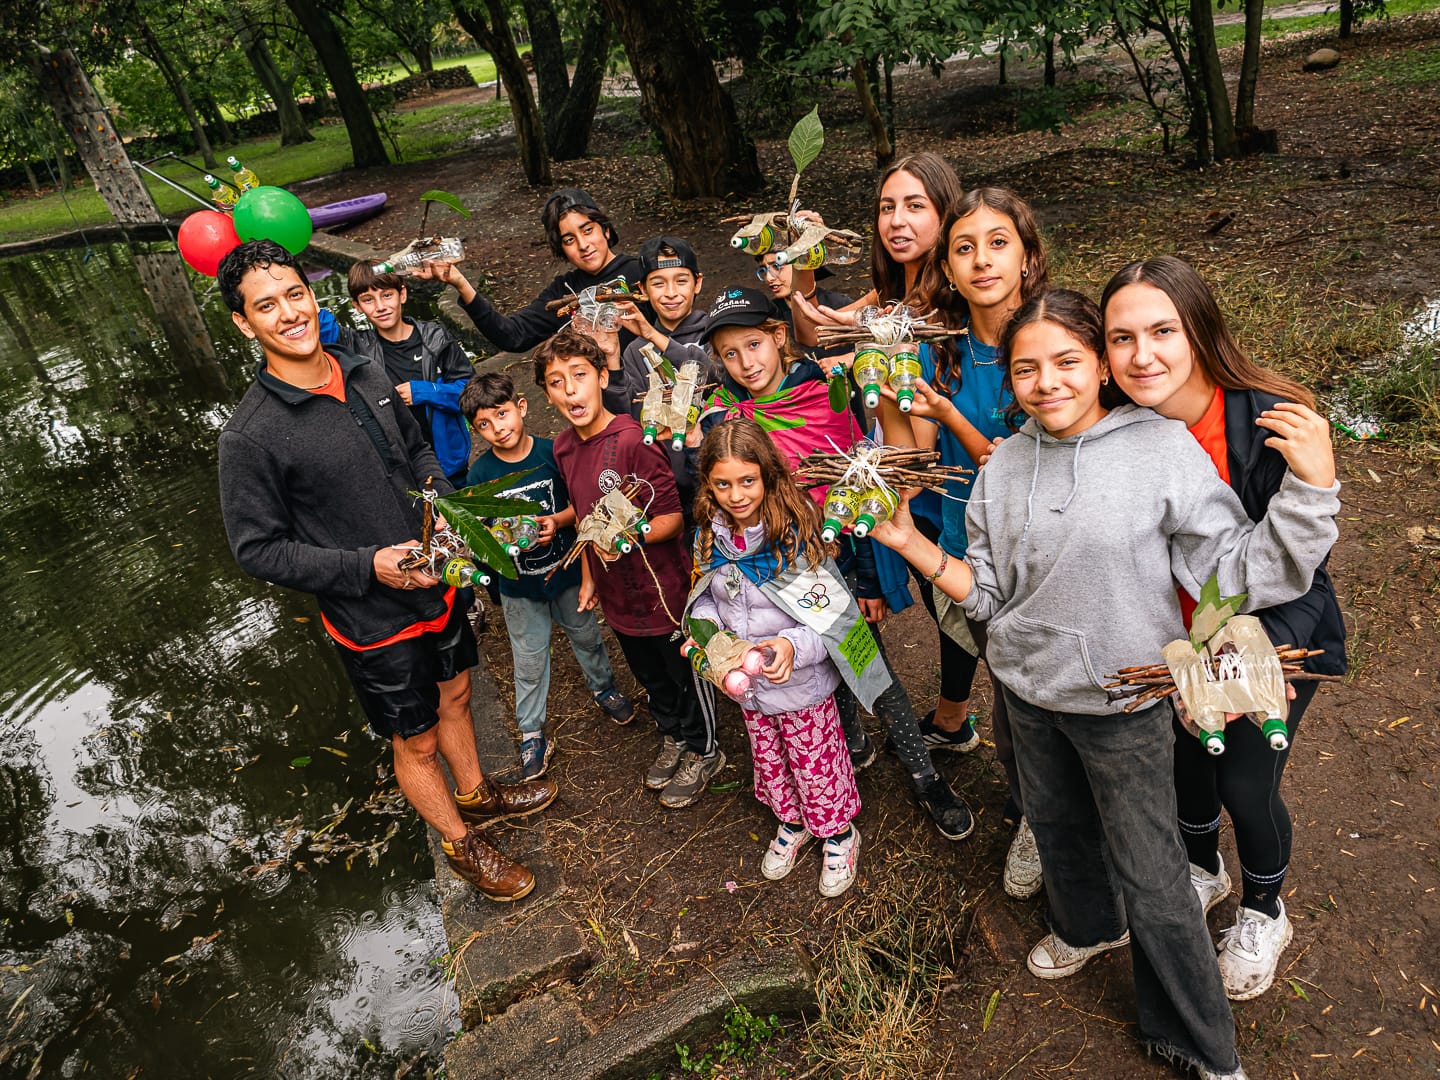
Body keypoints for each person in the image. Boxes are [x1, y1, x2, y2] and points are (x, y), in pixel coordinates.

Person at [869, 288, 1340, 1080]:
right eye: (1026, 369)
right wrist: (910, 544)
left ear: (1099, 366)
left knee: (1154, 876)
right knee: (1056, 827)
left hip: (1123, 706)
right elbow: (988, 596)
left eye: (1066, 361)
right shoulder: (1003, 466)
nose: (1046, 382)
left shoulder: (1159, 449)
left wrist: (1311, 493)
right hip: (1027, 695)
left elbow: (1234, 572)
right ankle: (1088, 929)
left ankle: (1201, 1043)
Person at [215, 240, 555, 903]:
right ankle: (461, 845)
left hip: (437, 582)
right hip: (370, 616)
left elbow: (417, 450)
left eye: (294, 294)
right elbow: (257, 549)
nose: (289, 313)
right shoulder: (250, 436)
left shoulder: (364, 371)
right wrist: (367, 565)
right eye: (266, 305)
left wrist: (443, 508)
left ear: (311, 295)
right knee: (416, 738)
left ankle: (477, 793)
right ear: (244, 323)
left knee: (457, 694)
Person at [1101, 255, 1347, 1001]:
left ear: (1199, 330)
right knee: (1187, 766)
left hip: (1269, 634)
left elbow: (1302, 567)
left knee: (1244, 779)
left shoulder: (1270, 423)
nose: (1142, 356)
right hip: (1170, 645)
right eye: (1121, 337)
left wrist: (1258, 656)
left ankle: (1265, 909)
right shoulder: (1113, 425)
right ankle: (1202, 868)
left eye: (1163, 331)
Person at [700, 287, 975, 841]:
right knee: (820, 671)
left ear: (779, 336)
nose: (745, 363)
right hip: (769, 581)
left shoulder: (824, 395)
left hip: (835, 566)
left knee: (871, 669)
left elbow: (861, 482)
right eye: (730, 354)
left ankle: (925, 777)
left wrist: (869, 579)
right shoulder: (725, 417)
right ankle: (853, 743)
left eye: (753, 344)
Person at [873, 187, 1049, 898]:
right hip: (966, 546)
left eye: (998, 243)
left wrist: (952, 417)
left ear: (1028, 255)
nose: (982, 261)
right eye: (965, 248)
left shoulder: (1055, 341)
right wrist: (887, 387)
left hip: (1048, 548)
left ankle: (1045, 813)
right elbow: (913, 461)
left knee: (1044, 690)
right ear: (946, 266)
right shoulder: (936, 351)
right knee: (1009, 687)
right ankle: (1035, 802)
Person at [538, 326, 722, 808]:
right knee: (648, 673)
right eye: (556, 382)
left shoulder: (634, 439)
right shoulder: (562, 448)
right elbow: (585, 513)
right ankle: (673, 734)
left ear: (603, 377)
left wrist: (630, 536)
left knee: (683, 671)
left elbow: (673, 518)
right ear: (546, 394)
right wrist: (586, 572)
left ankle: (705, 749)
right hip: (617, 595)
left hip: (663, 590)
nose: (570, 390)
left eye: (579, 375)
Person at [686, 419, 865, 897]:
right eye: (722, 484)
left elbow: (835, 620)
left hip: (801, 686)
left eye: (747, 481)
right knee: (770, 759)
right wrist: (709, 633)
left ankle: (838, 833)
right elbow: (705, 597)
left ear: (767, 474)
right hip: (749, 688)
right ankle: (793, 821)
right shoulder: (710, 536)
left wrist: (791, 646)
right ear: (708, 484)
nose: (736, 495)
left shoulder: (791, 536)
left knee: (815, 764)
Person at [460, 372, 636, 780]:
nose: (497, 428)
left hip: (567, 574)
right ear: (475, 430)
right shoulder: (480, 475)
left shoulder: (553, 453)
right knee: (528, 658)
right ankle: (531, 731)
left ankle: (604, 687)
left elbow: (583, 505)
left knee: (587, 635)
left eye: (502, 414)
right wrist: (499, 538)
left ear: (521, 407)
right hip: (519, 586)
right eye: (484, 424)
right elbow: (480, 531)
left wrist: (556, 521)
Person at [412, 187, 646, 353]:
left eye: (587, 230)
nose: (583, 245)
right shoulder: (564, 292)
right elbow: (513, 336)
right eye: (569, 240)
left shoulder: (642, 273)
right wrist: (461, 284)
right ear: (562, 249)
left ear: (605, 229)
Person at [318, 262, 475, 488]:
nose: (380, 306)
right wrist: (305, 297)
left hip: (450, 465)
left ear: (402, 294)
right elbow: (324, 330)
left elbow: (472, 393)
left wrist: (423, 391)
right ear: (357, 306)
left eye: (387, 295)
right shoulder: (358, 346)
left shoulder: (436, 338)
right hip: (399, 470)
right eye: (368, 300)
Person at [600, 235, 714, 514]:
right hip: (666, 487)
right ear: (642, 290)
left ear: (697, 282)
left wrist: (653, 335)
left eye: (681, 280)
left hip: (719, 476)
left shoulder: (716, 331)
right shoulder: (635, 351)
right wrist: (612, 356)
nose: (671, 293)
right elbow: (625, 415)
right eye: (658, 283)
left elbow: (710, 373)